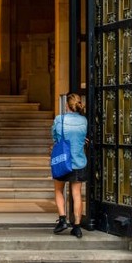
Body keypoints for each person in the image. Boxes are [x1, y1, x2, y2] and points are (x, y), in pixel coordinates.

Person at [51, 93, 88, 238]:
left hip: (62, 160)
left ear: (67, 105)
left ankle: (62, 219)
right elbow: (82, 137)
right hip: (78, 161)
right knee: (77, 194)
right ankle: (77, 226)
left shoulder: (60, 120)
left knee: (59, 190)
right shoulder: (84, 121)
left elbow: (54, 136)